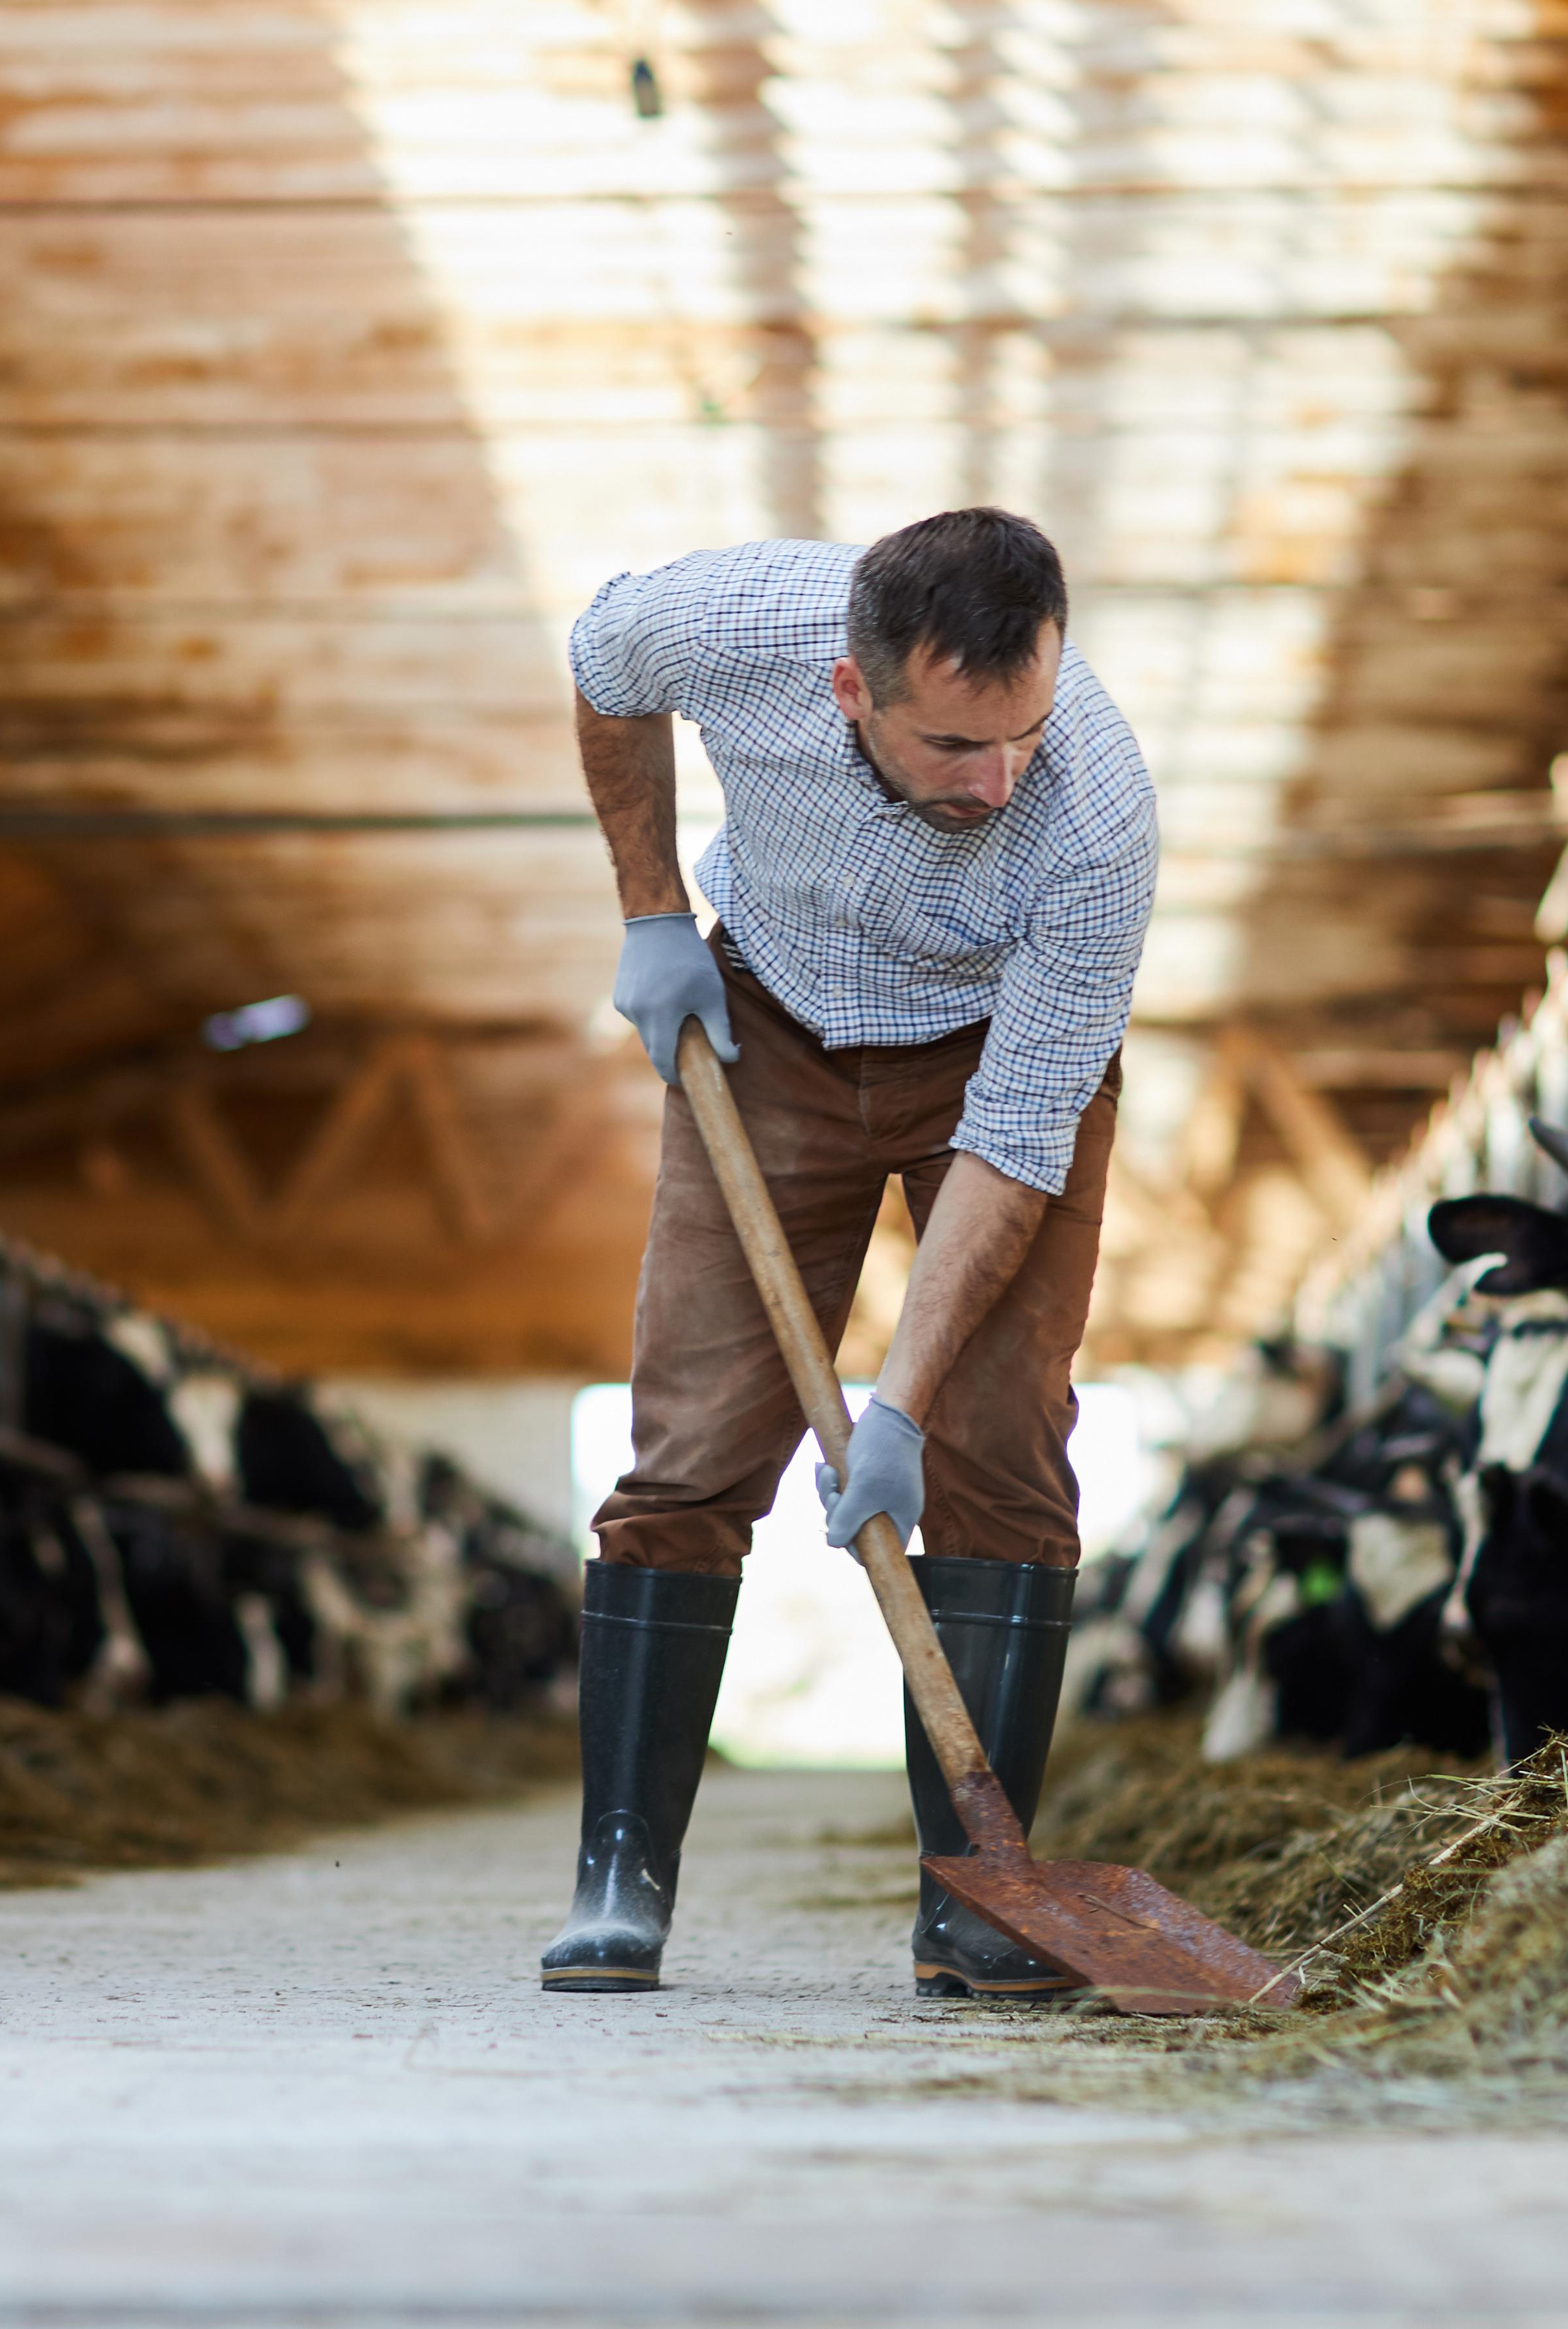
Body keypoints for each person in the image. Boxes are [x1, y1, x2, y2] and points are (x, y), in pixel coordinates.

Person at [542, 509, 1154, 2000]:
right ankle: (618, 1879)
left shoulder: (1095, 824)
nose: (995, 778)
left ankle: (975, 1897)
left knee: (1004, 1445)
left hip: (987, 1065)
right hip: (764, 1039)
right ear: (847, 692)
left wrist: (899, 1410)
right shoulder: (733, 623)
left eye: (1018, 732)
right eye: (951, 745)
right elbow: (598, 665)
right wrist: (648, 910)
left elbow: (1017, 1143)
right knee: (688, 1448)